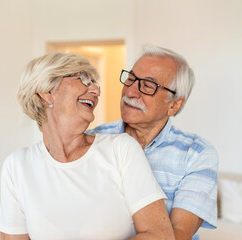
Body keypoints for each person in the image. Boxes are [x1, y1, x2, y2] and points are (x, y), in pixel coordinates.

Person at [0, 52, 174, 240]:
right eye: (83, 79)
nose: (96, 91)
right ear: (47, 93)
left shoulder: (121, 149)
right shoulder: (17, 166)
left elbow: (160, 236)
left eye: (95, 83)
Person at [87, 44, 218, 240]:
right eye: (130, 79)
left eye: (148, 86)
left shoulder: (197, 154)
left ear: (174, 105)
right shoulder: (93, 139)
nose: (130, 92)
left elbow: (177, 235)